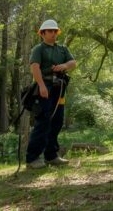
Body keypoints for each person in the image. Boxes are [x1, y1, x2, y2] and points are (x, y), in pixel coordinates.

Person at [25, 19, 77, 170]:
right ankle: (32, 158)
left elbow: (73, 63)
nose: (53, 34)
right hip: (45, 89)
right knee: (43, 123)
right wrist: (41, 86)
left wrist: (64, 66)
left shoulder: (62, 49)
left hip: (59, 89)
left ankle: (51, 156)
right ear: (42, 33)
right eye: (50, 31)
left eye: (55, 31)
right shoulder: (38, 49)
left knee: (57, 122)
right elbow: (35, 68)